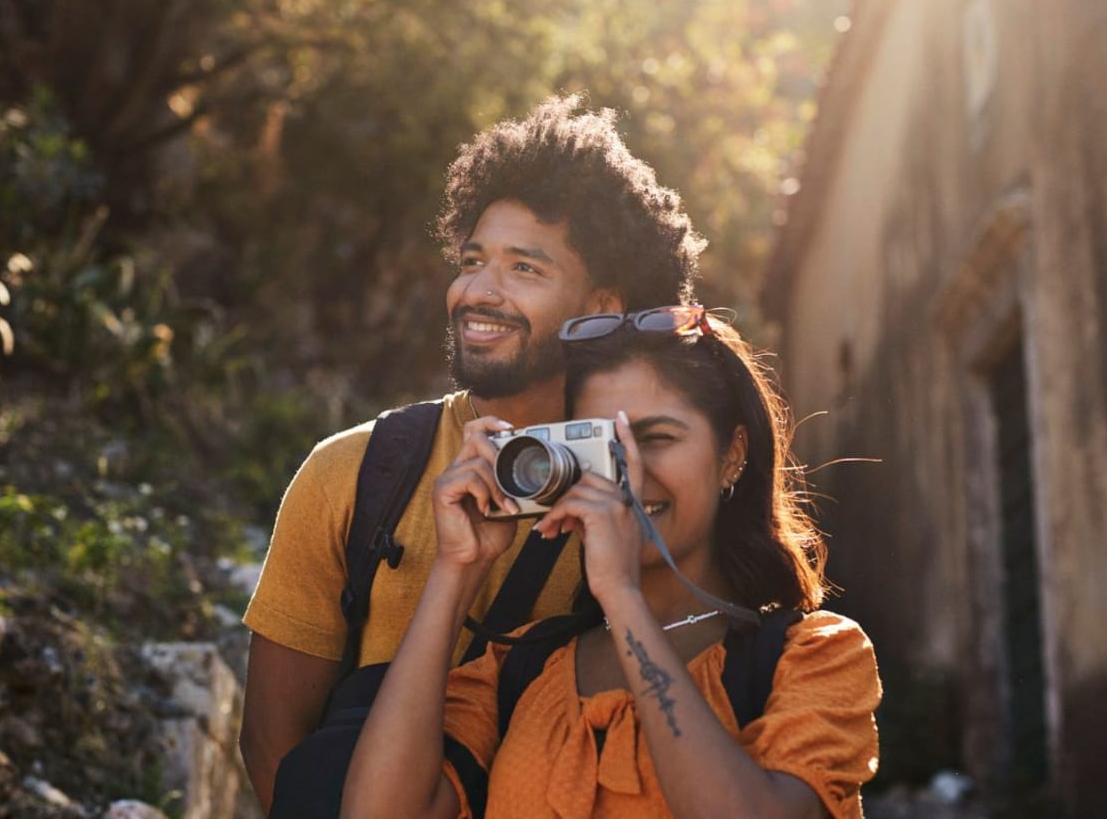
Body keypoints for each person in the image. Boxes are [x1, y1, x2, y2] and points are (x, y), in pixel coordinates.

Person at [240, 95, 708, 810]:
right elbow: (273, 746)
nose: (476, 292)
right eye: (471, 261)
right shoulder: (352, 474)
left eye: (524, 269)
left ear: (603, 309)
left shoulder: (654, 492)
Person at [342, 305, 882, 818]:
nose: (627, 476)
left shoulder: (815, 655)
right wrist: (457, 568)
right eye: (602, 449)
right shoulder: (522, 669)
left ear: (732, 454)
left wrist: (621, 596)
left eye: (656, 438)